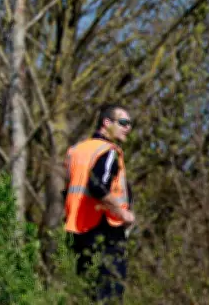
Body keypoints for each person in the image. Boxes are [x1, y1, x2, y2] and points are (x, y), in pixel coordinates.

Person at [63, 104, 135, 303]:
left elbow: (69, 189)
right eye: (123, 123)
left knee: (86, 292)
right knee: (110, 293)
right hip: (104, 230)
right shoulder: (109, 150)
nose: (127, 128)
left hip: (78, 229)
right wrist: (124, 214)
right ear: (106, 123)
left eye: (129, 124)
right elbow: (97, 187)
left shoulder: (76, 151)